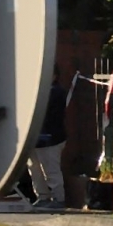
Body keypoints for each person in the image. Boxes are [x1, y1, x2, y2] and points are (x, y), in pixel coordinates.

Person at [29, 74, 70, 209]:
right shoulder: (42, 90)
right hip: (37, 138)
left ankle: (58, 198)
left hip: (50, 138)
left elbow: (48, 115)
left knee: (50, 170)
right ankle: (43, 197)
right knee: (35, 169)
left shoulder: (55, 92)